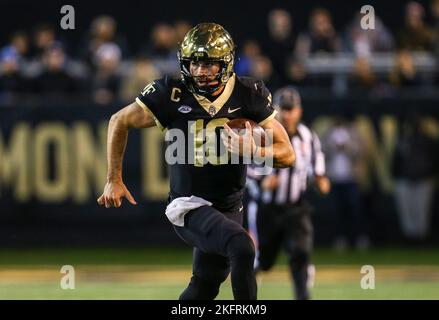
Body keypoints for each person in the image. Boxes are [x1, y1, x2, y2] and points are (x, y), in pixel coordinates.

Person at [97, 23, 295, 300]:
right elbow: (119, 120)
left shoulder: (248, 93)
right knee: (242, 246)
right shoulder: (171, 92)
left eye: (208, 64)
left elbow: (288, 154)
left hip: (229, 205)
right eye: (194, 64)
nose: (200, 71)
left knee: (204, 287)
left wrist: (254, 150)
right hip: (188, 204)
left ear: (225, 63)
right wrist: (113, 179)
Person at [245, 86, 330, 300]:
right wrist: (263, 182)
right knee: (263, 260)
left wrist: (320, 181)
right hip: (267, 209)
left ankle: (303, 296)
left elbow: (316, 171)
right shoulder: (260, 134)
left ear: (299, 111)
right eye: (283, 109)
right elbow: (246, 171)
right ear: (275, 110)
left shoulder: (308, 137)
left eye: (291, 109)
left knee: (300, 253)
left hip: (295, 208)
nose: (287, 114)